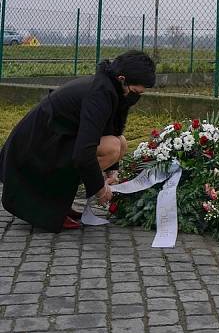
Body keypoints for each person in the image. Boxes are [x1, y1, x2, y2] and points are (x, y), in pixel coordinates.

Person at [0, 50, 156, 232]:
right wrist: (99, 189)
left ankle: (60, 205)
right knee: (111, 147)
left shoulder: (109, 88)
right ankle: (49, 209)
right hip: (33, 151)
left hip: (54, 141)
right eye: (135, 92)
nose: (136, 97)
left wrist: (112, 171)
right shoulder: (99, 95)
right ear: (122, 79)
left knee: (120, 142)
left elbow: (113, 129)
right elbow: (84, 151)